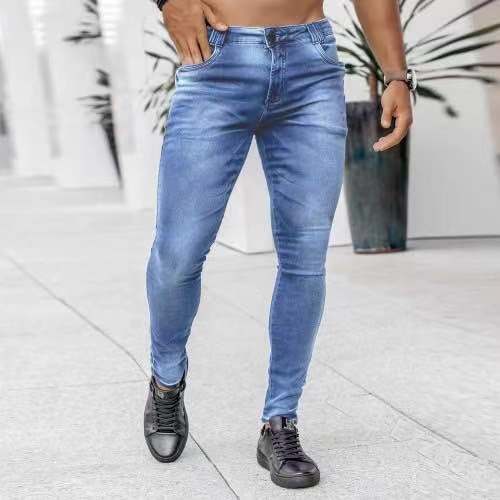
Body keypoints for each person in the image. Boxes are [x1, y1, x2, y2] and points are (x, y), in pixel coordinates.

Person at [144, 0, 414, 489]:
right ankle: (166, 381)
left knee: (305, 259)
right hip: (216, 62)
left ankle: (280, 421)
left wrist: (396, 74)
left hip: (310, 66)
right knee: (178, 254)